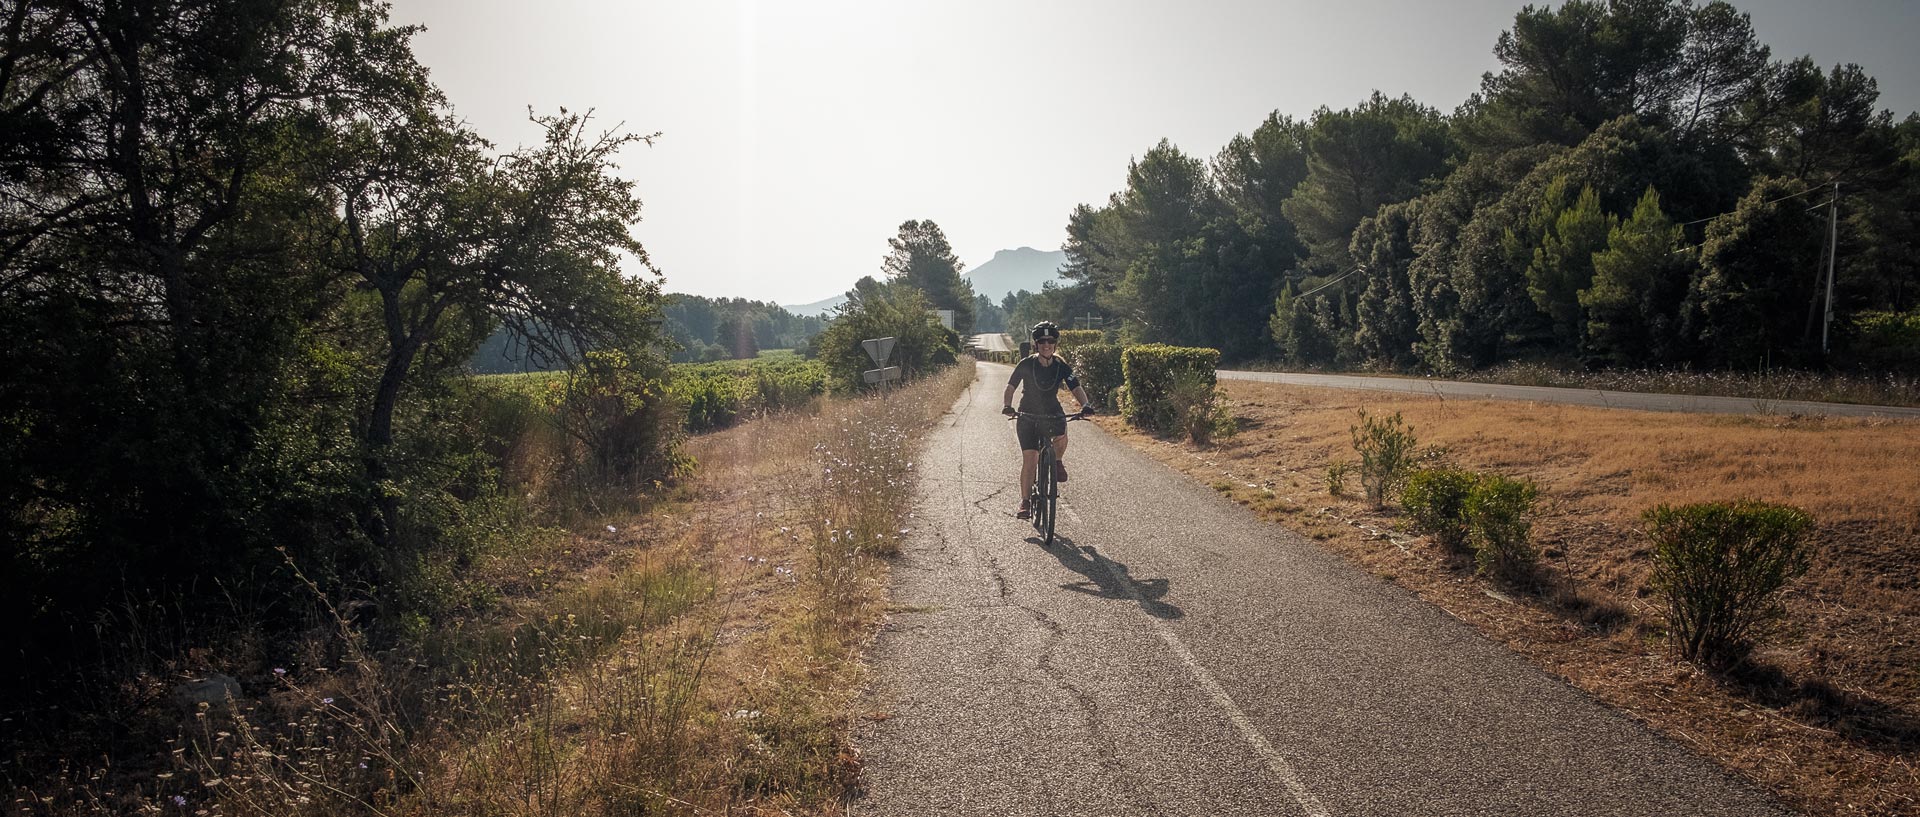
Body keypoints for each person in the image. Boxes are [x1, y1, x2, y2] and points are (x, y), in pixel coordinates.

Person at [1002, 321, 1094, 519]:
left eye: (1050, 341)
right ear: (1036, 344)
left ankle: (1058, 461)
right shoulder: (1026, 364)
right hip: (1028, 413)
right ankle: (1025, 501)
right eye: (1042, 341)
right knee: (1031, 458)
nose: (1046, 345)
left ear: (1055, 344)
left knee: (1061, 435)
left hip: (1052, 410)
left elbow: (1075, 387)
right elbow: (1010, 387)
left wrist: (1085, 405)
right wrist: (1008, 406)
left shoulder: (1061, 366)